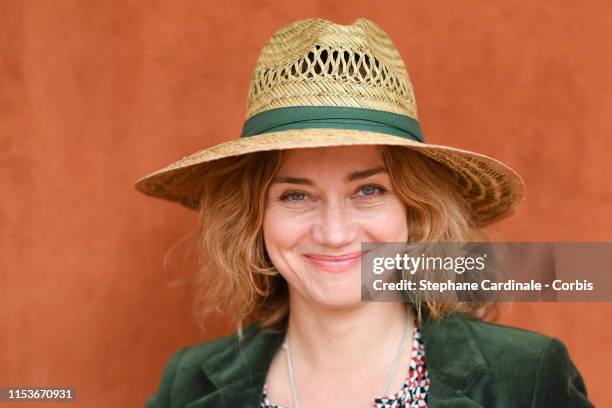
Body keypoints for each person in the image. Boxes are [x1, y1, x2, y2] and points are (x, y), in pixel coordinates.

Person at [135, 18, 594, 408]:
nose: (334, 233)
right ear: (253, 218)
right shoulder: (188, 383)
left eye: (368, 190)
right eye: (296, 196)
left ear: (417, 210)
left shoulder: (527, 378)